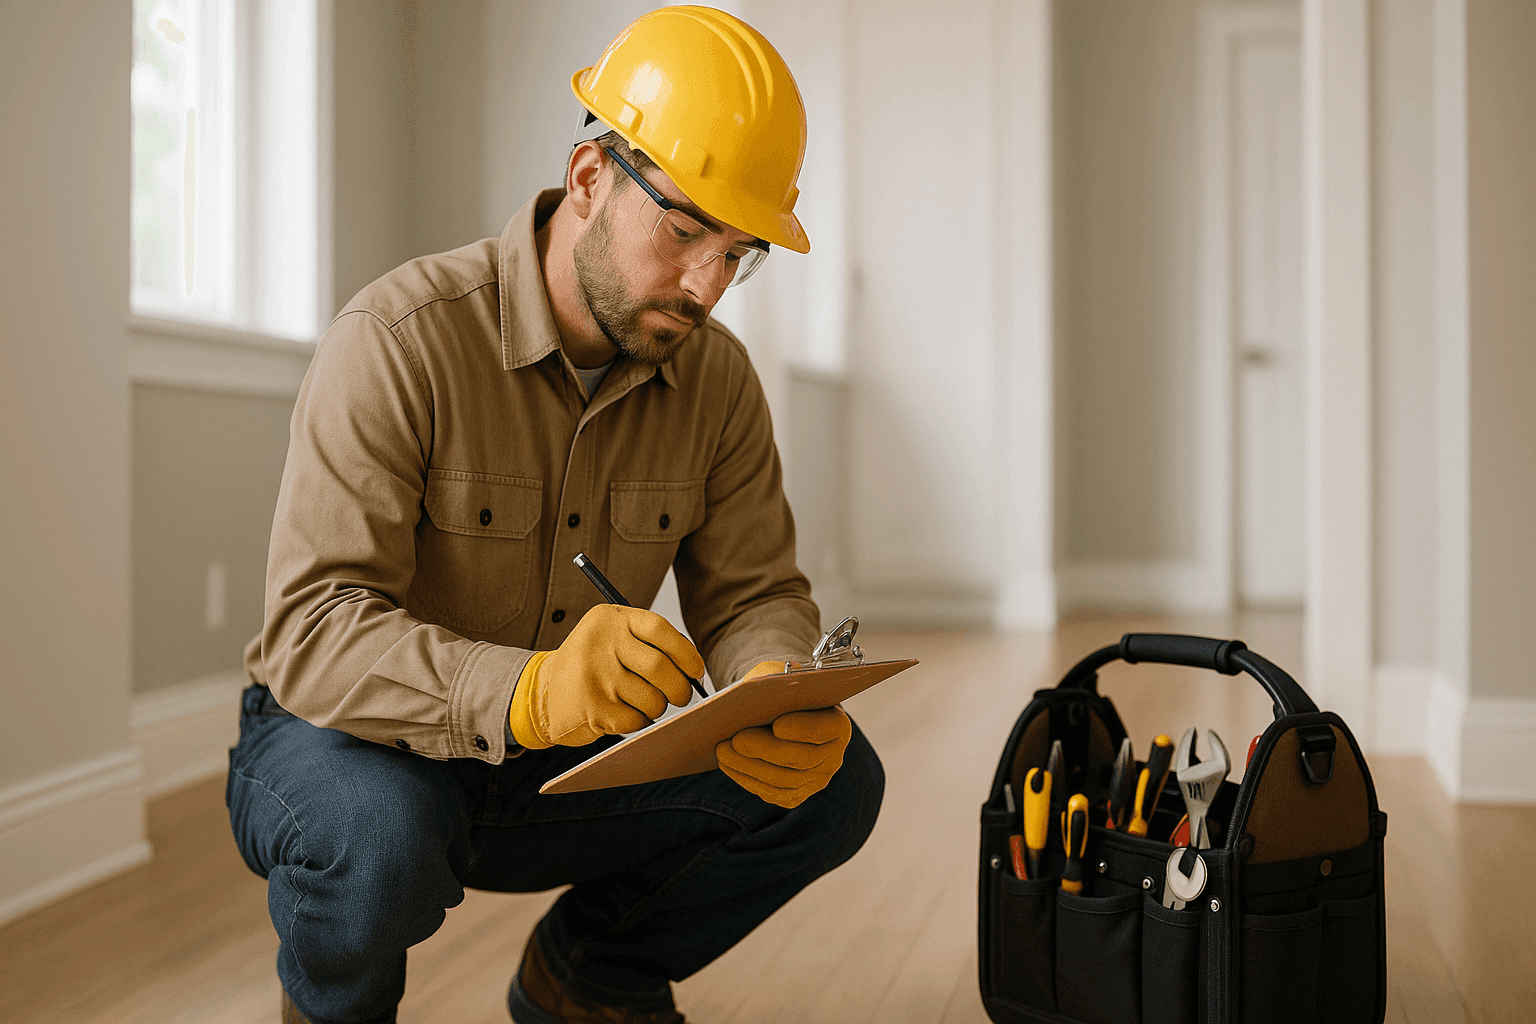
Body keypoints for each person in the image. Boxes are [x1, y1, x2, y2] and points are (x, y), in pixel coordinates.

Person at [225, 7, 885, 1024]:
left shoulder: (719, 383)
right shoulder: (398, 341)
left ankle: (586, 976)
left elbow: (755, 589)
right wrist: (525, 693)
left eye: (739, 253)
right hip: (355, 744)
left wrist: (768, 686)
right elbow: (313, 632)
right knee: (378, 835)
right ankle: (332, 1009)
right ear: (589, 180)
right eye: (683, 231)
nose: (709, 283)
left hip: (553, 772)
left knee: (835, 784)